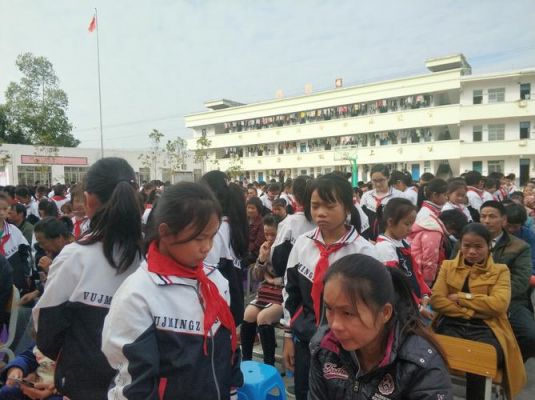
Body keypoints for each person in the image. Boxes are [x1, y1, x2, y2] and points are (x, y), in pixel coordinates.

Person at [102, 182, 243, 399]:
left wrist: (231, 391)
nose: (207, 247)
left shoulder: (215, 281)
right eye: (198, 238)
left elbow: (228, 351)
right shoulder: (138, 295)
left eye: (212, 236)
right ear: (166, 233)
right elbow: (134, 385)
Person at [33, 157, 143, 400]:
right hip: (138, 385)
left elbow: (47, 330)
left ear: (90, 199)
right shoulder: (150, 257)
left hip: (84, 384)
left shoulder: (75, 257)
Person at [283, 173, 378, 400]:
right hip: (306, 341)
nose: (321, 213)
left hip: (348, 346)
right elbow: (290, 291)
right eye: (315, 206)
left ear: (347, 206)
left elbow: (373, 304)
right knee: (306, 392)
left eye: (329, 205)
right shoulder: (303, 245)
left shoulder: (363, 252)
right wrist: (289, 335)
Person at [309, 254, 452, 399]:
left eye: (348, 313)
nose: (335, 325)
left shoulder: (419, 366)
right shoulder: (325, 349)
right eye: (329, 309)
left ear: (385, 313)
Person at [431, 223, 526, 399]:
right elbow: (436, 300)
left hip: (487, 328)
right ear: (460, 244)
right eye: (466, 246)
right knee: (436, 358)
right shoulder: (448, 266)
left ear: (489, 246)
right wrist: (473, 311)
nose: (472, 251)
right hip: (451, 324)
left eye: (478, 246)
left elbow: (499, 305)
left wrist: (461, 297)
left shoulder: (500, 271)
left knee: (480, 361)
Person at [479, 200, 535, 361]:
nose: (487, 221)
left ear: (504, 220)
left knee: (531, 337)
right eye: (483, 216)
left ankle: (510, 368)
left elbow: (520, 281)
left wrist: (496, 298)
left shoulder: (519, 246)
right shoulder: (467, 240)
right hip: (472, 299)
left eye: (492, 216)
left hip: (511, 301)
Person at [201, 171, 248, 326]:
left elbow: (208, 271)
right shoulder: (232, 223)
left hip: (220, 305)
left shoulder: (215, 230)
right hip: (234, 298)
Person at [375, 198, 432, 319]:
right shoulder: (385, 248)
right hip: (402, 308)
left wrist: (425, 294)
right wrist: (418, 306)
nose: (411, 229)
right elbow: (396, 284)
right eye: (407, 224)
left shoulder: (402, 242)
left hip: (414, 303)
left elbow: (415, 272)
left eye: (412, 223)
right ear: (390, 222)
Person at [241, 214, 284, 366]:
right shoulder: (264, 248)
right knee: (248, 314)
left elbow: (291, 278)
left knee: (263, 318)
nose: (270, 237)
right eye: (267, 234)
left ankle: (269, 364)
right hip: (265, 292)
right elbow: (257, 277)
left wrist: (274, 280)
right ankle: (246, 361)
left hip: (282, 294)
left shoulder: (286, 249)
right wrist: (261, 260)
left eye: (273, 234)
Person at [409, 209, 468, 287]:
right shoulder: (434, 232)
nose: (451, 235)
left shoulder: (428, 224)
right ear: (450, 225)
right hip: (420, 275)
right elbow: (430, 260)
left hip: (415, 270)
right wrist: (428, 282)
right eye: (454, 233)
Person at [360, 164, 403, 241]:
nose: (378, 184)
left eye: (381, 180)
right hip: (369, 242)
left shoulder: (399, 196)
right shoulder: (366, 196)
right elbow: (362, 220)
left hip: (391, 241)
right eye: (374, 181)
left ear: (388, 178)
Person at [0, 193, 32, 296]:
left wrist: (27, 274)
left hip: (15, 283)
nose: (1, 212)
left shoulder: (14, 231)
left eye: (4, 209)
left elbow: (26, 253)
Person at [504, 202, 535, 272]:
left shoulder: (528, 235)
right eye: (508, 225)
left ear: (522, 224)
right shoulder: (496, 233)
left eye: (515, 227)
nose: (510, 229)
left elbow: (532, 258)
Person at [244, 196, 265, 267]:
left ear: (258, 209)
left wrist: (246, 249)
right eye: (248, 207)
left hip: (254, 253)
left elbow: (258, 243)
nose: (249, 210)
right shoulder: (245, 220)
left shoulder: (261, 223)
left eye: (252, 208)